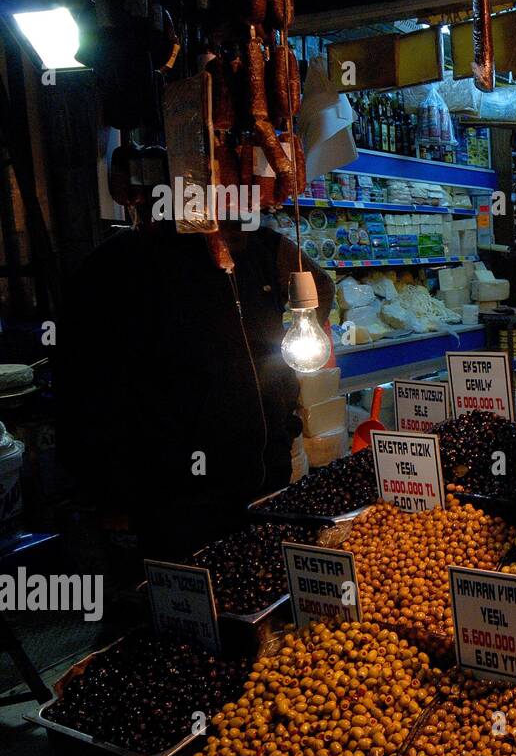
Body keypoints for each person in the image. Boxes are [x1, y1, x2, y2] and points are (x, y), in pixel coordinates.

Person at [57, 221, 334, 561]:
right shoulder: (120, 261)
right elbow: (82, 384)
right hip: (174, 494)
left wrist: (306, 321)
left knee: (262, 580)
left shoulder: (260, 245)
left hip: (264, 475)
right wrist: (107, 493)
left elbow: (320, 282)